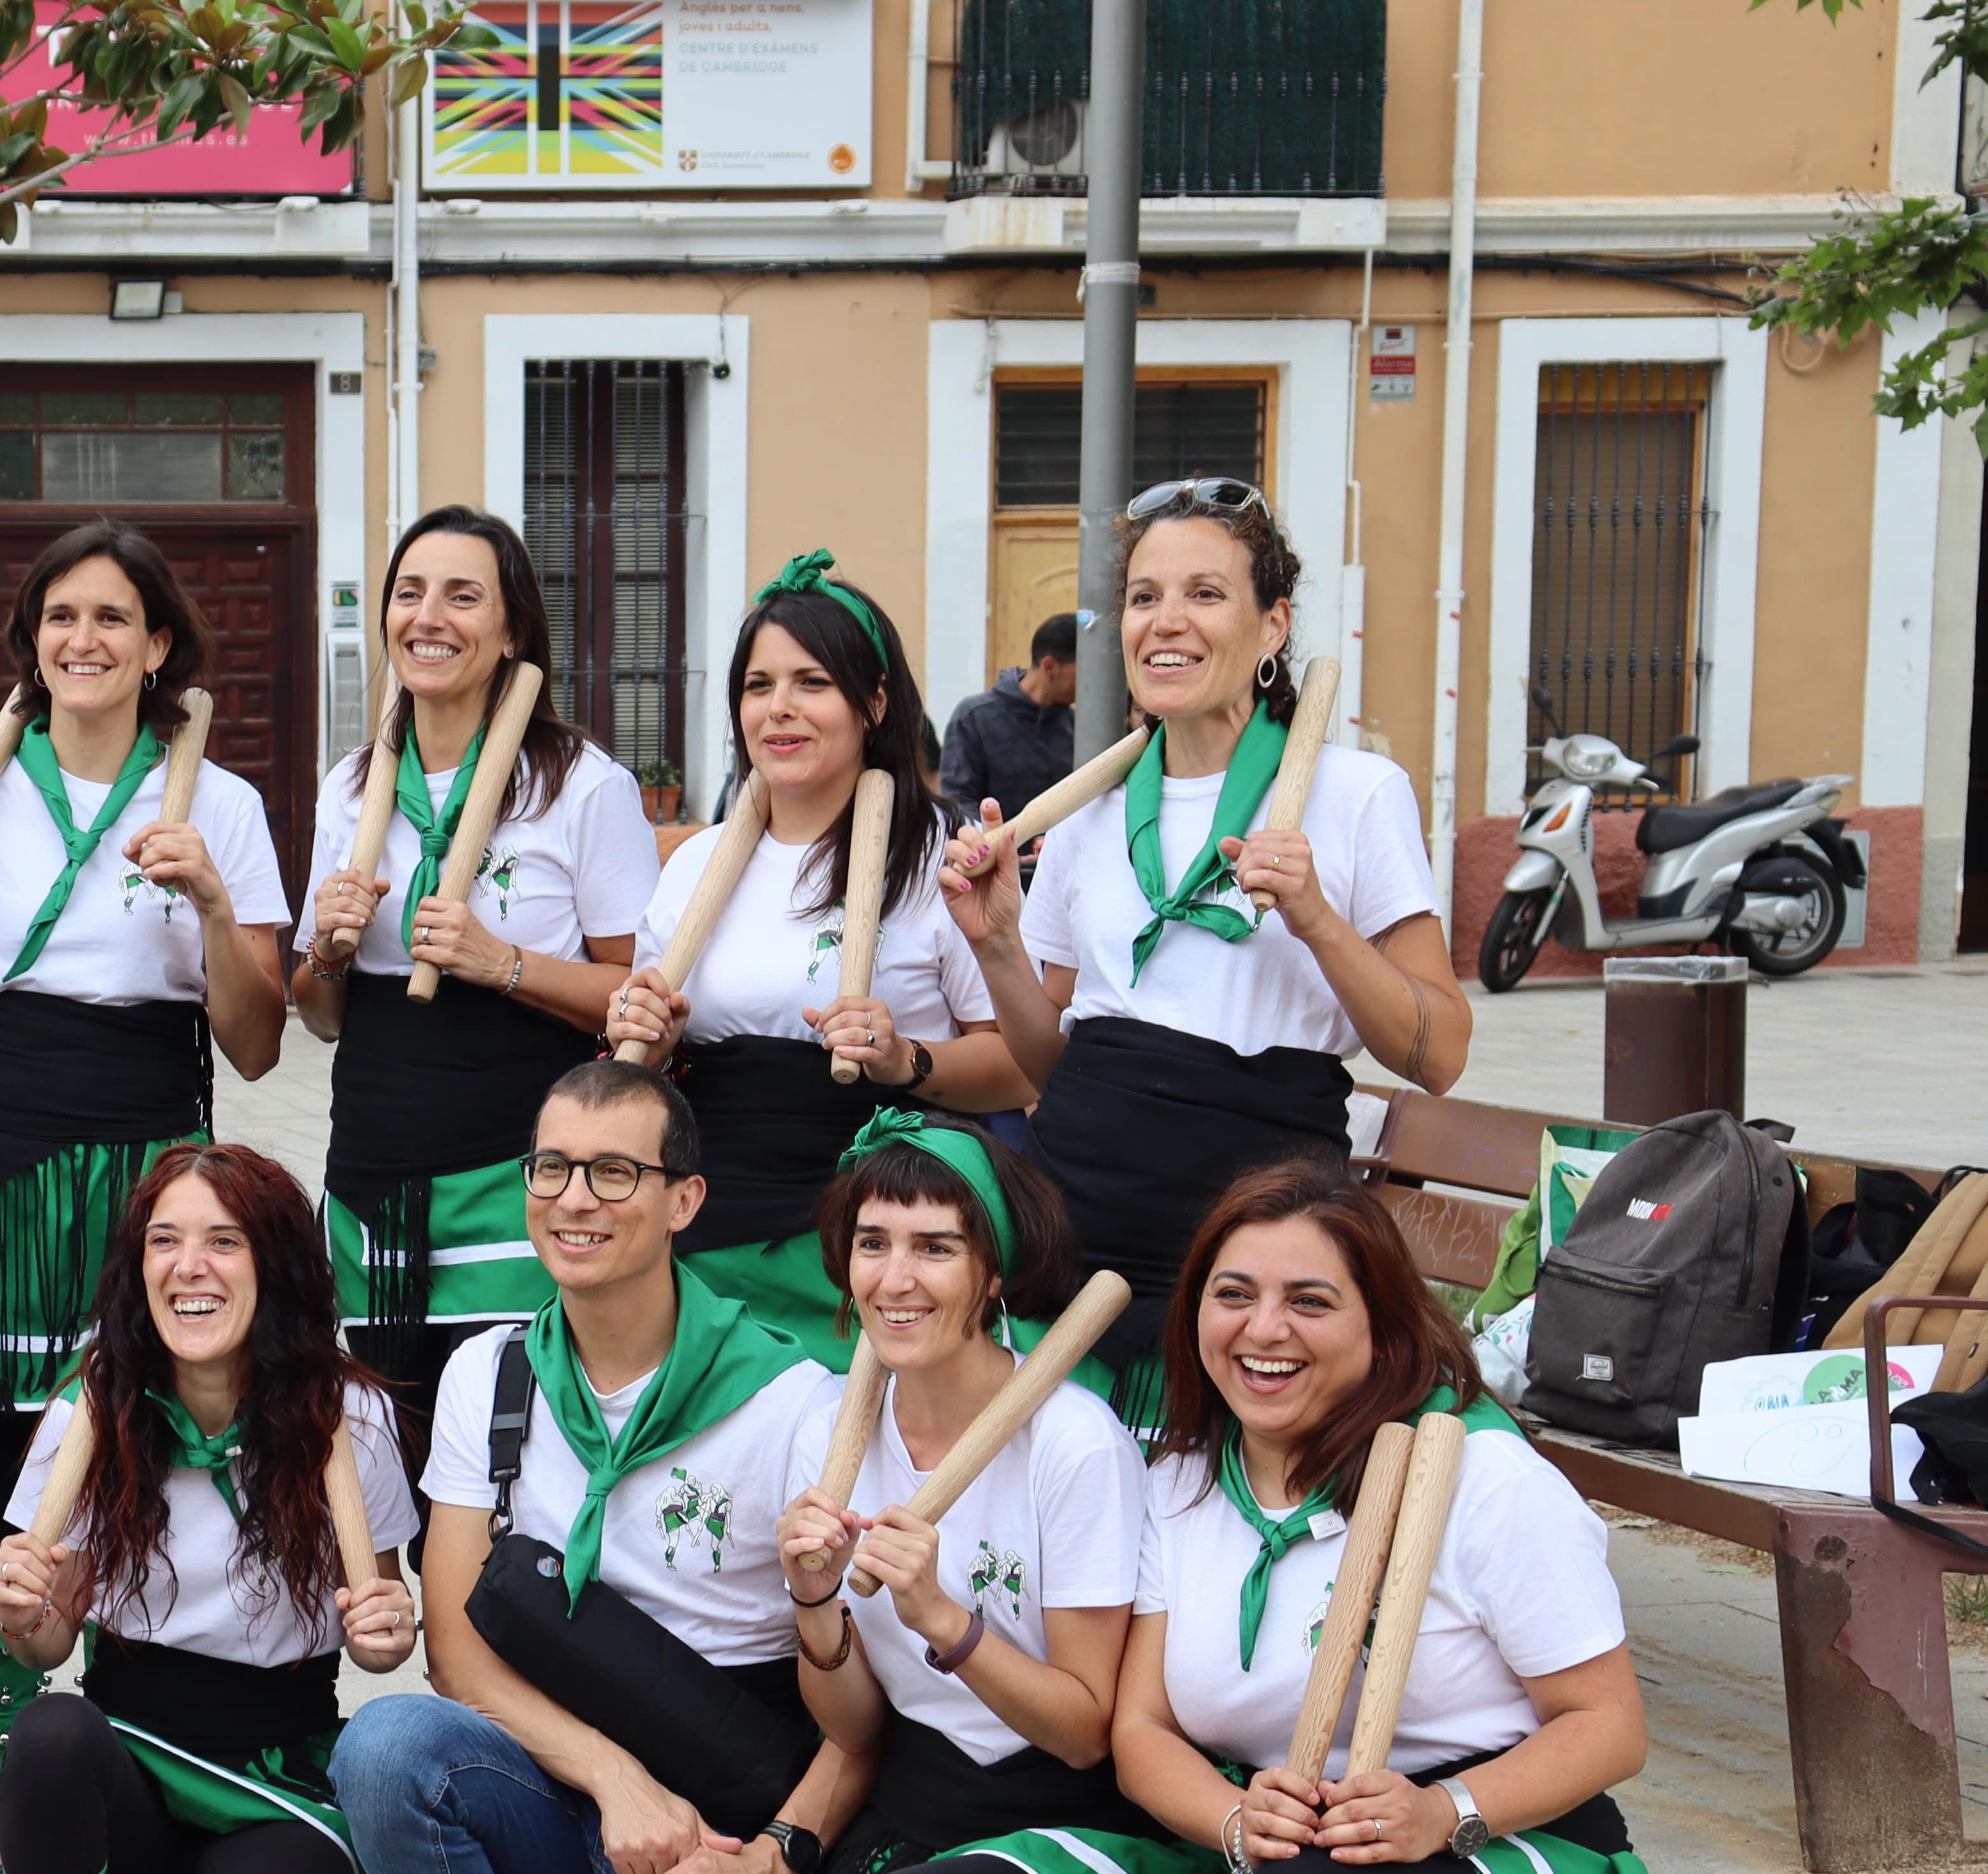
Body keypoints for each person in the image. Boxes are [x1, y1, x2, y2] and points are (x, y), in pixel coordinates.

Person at [1115, 1161, 1656, 1874]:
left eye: (1312, 1302)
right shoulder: (1176, 1477)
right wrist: (1227, 1818)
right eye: (1234, 1294)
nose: (1265, 1331)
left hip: (1500, 1851)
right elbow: (1140, 1729)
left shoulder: (1484, 1481)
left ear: (1384, 1321)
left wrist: (1440, 1814)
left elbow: (1611, 1728)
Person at [0, 519, 292, 1874]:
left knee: (127, 1476)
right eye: (58, 619)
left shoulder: (217, 800)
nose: (83, 641)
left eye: (113, 618)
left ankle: (126, 1789)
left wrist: (216, 903)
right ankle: (1, 1809)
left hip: (147, 1185)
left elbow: (261, 1041)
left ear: (160, 644)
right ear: (30, 643)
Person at [333, 1060, 860, 1874]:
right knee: (384, 1747)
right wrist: (613, 1778)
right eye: (553, 1168)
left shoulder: (790, 1401)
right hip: (571, 1774)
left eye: (616, 1173)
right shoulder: (495, 1370)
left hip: (725, 1805)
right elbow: (458, 1651)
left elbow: (878, 1695)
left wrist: (779, 1858)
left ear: (685, 1200)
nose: (575, 1200)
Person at [941, 480, 1473, 1395]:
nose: (1166, 621)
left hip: (1257, 1243)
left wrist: (1315, 919)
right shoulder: (1090, 808)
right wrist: (996, 943)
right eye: (1144, 597)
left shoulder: (1354, 794)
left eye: (1206, 594)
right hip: (1077, 1228)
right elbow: (1047, 1064)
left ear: (1273, 628)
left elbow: (1441, 1052)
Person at [731, 1111, 1151, 1874]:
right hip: (920, 1805)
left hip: (1065, 1824)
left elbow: (1084, 1734)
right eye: (874, 1243)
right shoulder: (832, 1424)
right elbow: (855, 1720)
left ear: (996, 1271)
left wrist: (942, 1619)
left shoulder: (1075, 1442)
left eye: (935, 1248)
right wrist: (816, 1600)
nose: (896, 1278)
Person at [0, 1145, 421, 1874]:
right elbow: (46, 1639)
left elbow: (380, 1620)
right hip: (129, 1757)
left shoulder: (346, 1416)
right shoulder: (94, 1408)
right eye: (165, 1240)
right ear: (138, 1269)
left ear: (277, 1264)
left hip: (277, 1772)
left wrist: (391, 1633)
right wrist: (20, 1613)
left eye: (224, 1240)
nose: (191, 1265)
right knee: (48, 1731)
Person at [290, 505, 656, 1471]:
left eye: (462, 595)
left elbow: (645, 1001)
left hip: (520, 1182)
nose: (429, 617)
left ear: (512, 630)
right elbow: (320, 1017)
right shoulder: (351, 786)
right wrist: (327, 950)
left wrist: (504, 964)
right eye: (409, 594)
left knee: (510, 1476)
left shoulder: (582, 786)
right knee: (397, 1472)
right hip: (375, 1188)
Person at [606, 555, 1027, 1362]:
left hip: (879, 1235)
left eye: (811, 682)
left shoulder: (944, 856)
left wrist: (905, 1059)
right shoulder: (696, 865)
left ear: (873, 702)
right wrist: (646, 1040)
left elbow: (1022, 1067)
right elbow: (650, 1067)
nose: (779, 710)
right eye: (758, 685)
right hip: (707, 1233)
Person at [939, 612, 1078, 831]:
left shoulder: (1078, 726)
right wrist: (999, 845)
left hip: (1061, 861)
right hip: (995, 858)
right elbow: (959, 802)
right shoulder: (974, 717)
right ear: (1050, 667)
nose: (1091, 682)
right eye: (1084, 672)